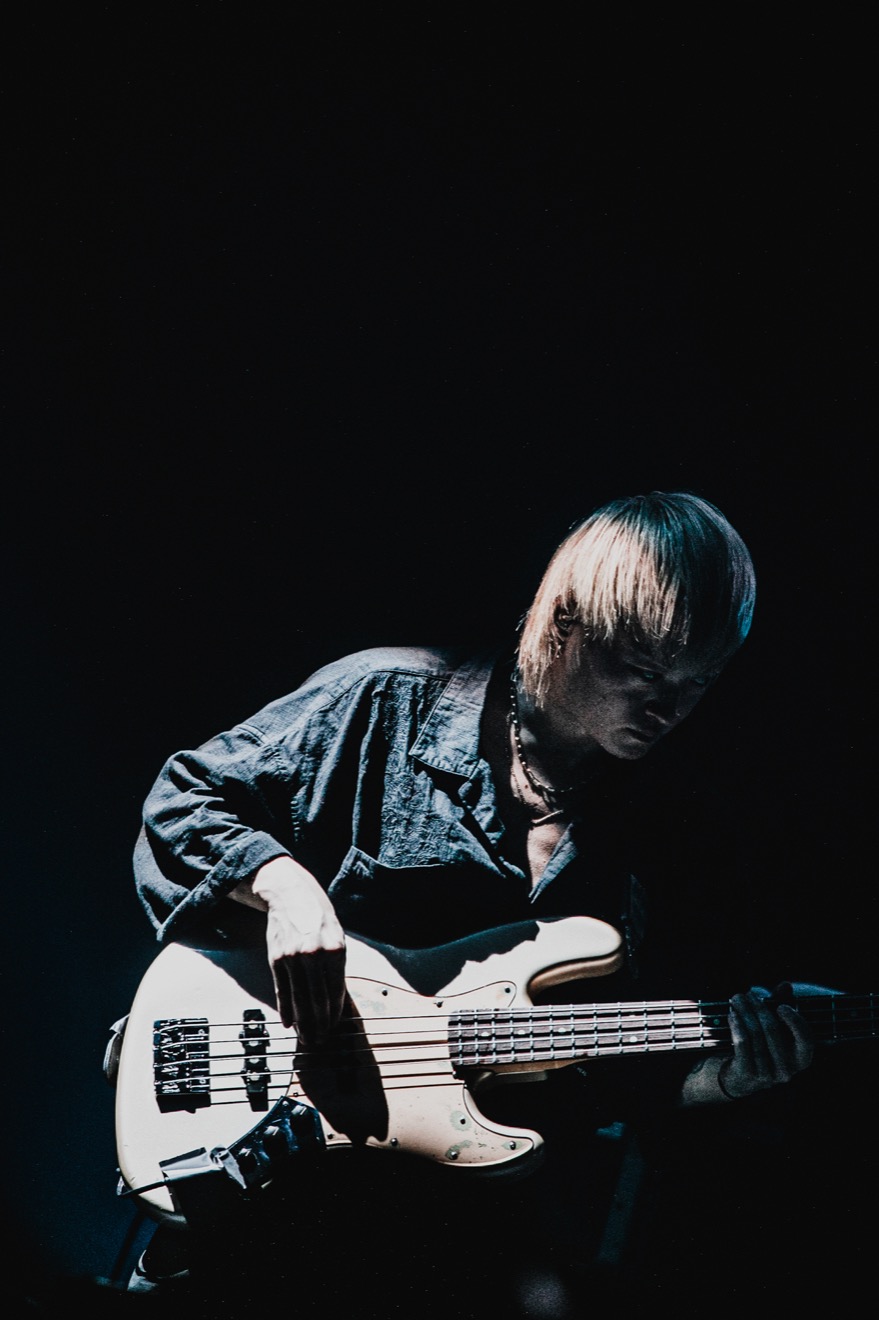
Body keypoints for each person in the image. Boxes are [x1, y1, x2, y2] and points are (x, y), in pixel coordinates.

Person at [120, 490, 828, 1317]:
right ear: (564, 622)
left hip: (437, 1248)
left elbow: (586, 1082)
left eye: (696, 682)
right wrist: (284, 887)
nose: (667, 709)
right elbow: (185, 800)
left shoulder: (659, 833)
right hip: (266, 1176)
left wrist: (713, 1080)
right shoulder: (384, 699)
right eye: (643, 671)